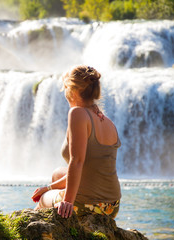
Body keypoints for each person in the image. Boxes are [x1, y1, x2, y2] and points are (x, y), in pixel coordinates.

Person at [31, 65, 121, 219]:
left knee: (41, 206)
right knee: (57, 173)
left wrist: (67, 201)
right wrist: (48, 187)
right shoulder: (108, 122)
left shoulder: (77, 113)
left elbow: (77, 161)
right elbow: (89, 169)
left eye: (65, 88)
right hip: (112, 206)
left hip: (90, 204)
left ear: (72, 90)